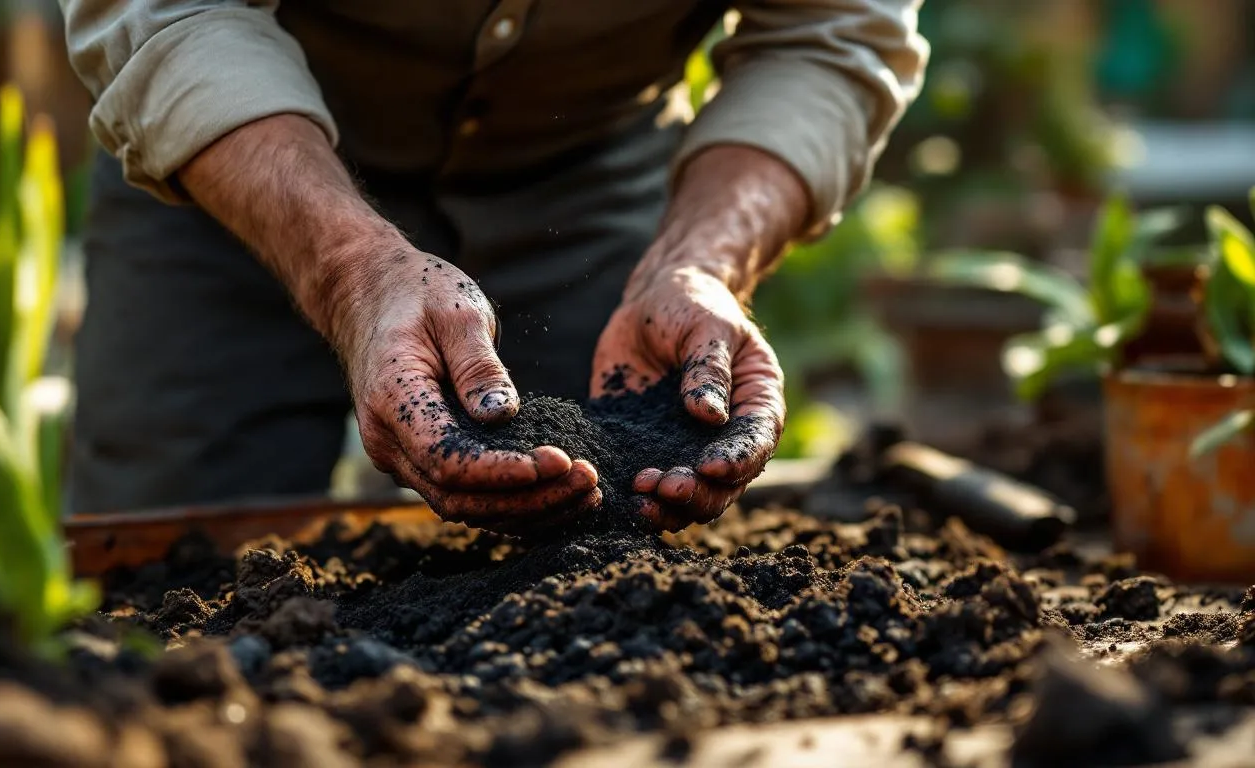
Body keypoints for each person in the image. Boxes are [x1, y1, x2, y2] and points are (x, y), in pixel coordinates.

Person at [58, 0, 927, 533]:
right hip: (236, 167)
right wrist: (351, 268)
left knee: (609, 540)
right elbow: (166, 8)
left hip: (590, 182)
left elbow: (831, 34)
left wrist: (702, 260)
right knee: (167, 575)